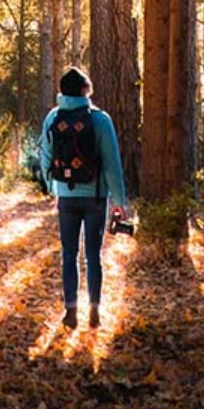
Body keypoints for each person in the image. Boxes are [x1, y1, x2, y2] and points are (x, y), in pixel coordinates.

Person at [40, 67, 128, 329]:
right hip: (95, 197)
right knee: (93, 255)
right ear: (85, 90)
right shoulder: (100, 120)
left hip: (66, 196)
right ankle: (94, 311)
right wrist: (119, 201)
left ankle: (70, 312)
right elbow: (112, 164)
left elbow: (45, 155)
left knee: (69, 253)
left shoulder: (52, 118)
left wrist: (54, 189)